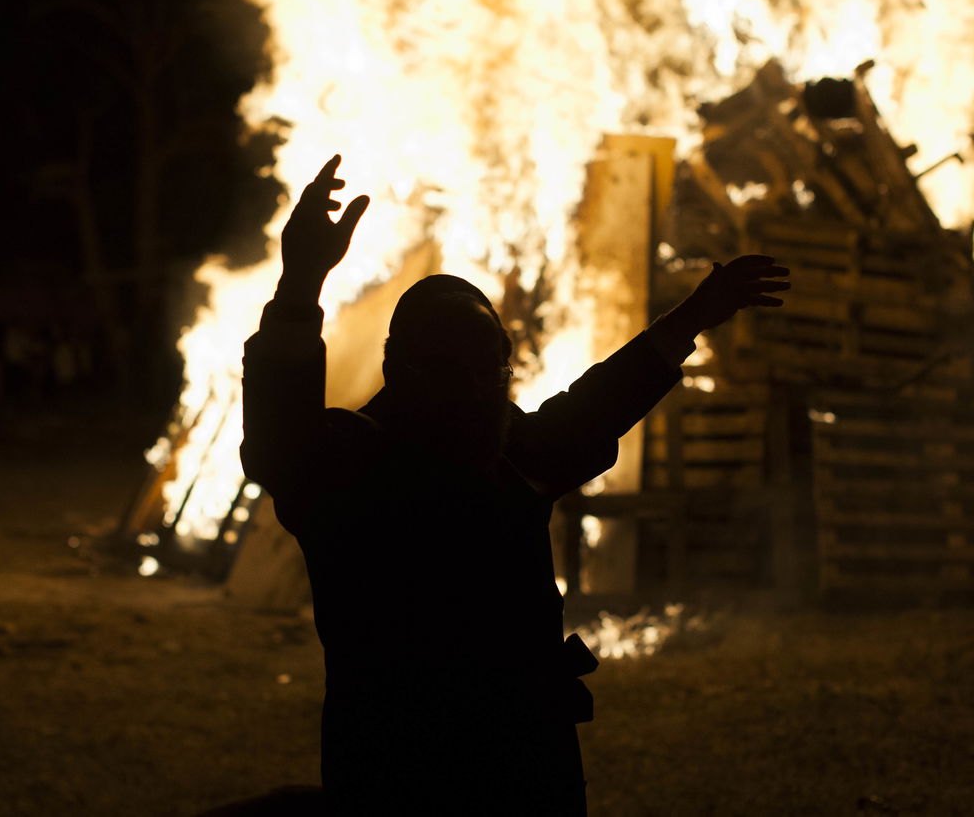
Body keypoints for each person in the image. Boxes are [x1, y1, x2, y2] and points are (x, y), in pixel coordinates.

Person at [240, 153, 789, 814]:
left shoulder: (510, 454)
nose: (473, 387)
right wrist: (300, 284)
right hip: (400, 774)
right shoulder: (350, 467)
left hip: (528, 769)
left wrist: (693, 316)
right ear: (399, 366)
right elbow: (281, 436)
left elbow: (594, 406)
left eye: (488, 366)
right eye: (449, 368)